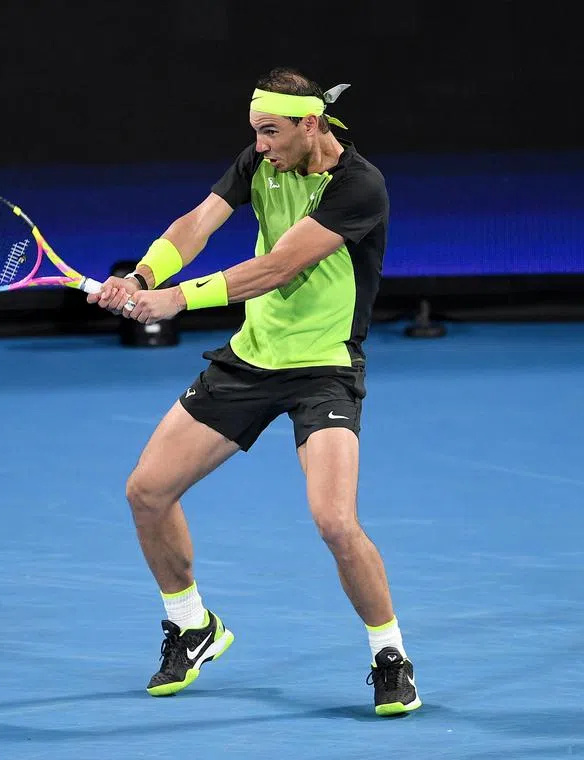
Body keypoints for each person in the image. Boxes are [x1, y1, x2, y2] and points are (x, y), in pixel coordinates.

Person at [86, 67, 420, 716]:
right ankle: (192, 626)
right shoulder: (258, 161)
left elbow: (277, 266)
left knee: (334, 521)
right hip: (248, 361)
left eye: (271, 132)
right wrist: (144, 272)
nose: (261, 145)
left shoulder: (359, 187)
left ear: (311, 125)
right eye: (255, 133)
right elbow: (197, 222)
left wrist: (176, 297)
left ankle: (390, 655)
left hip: (323, 368)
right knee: (146, 492)